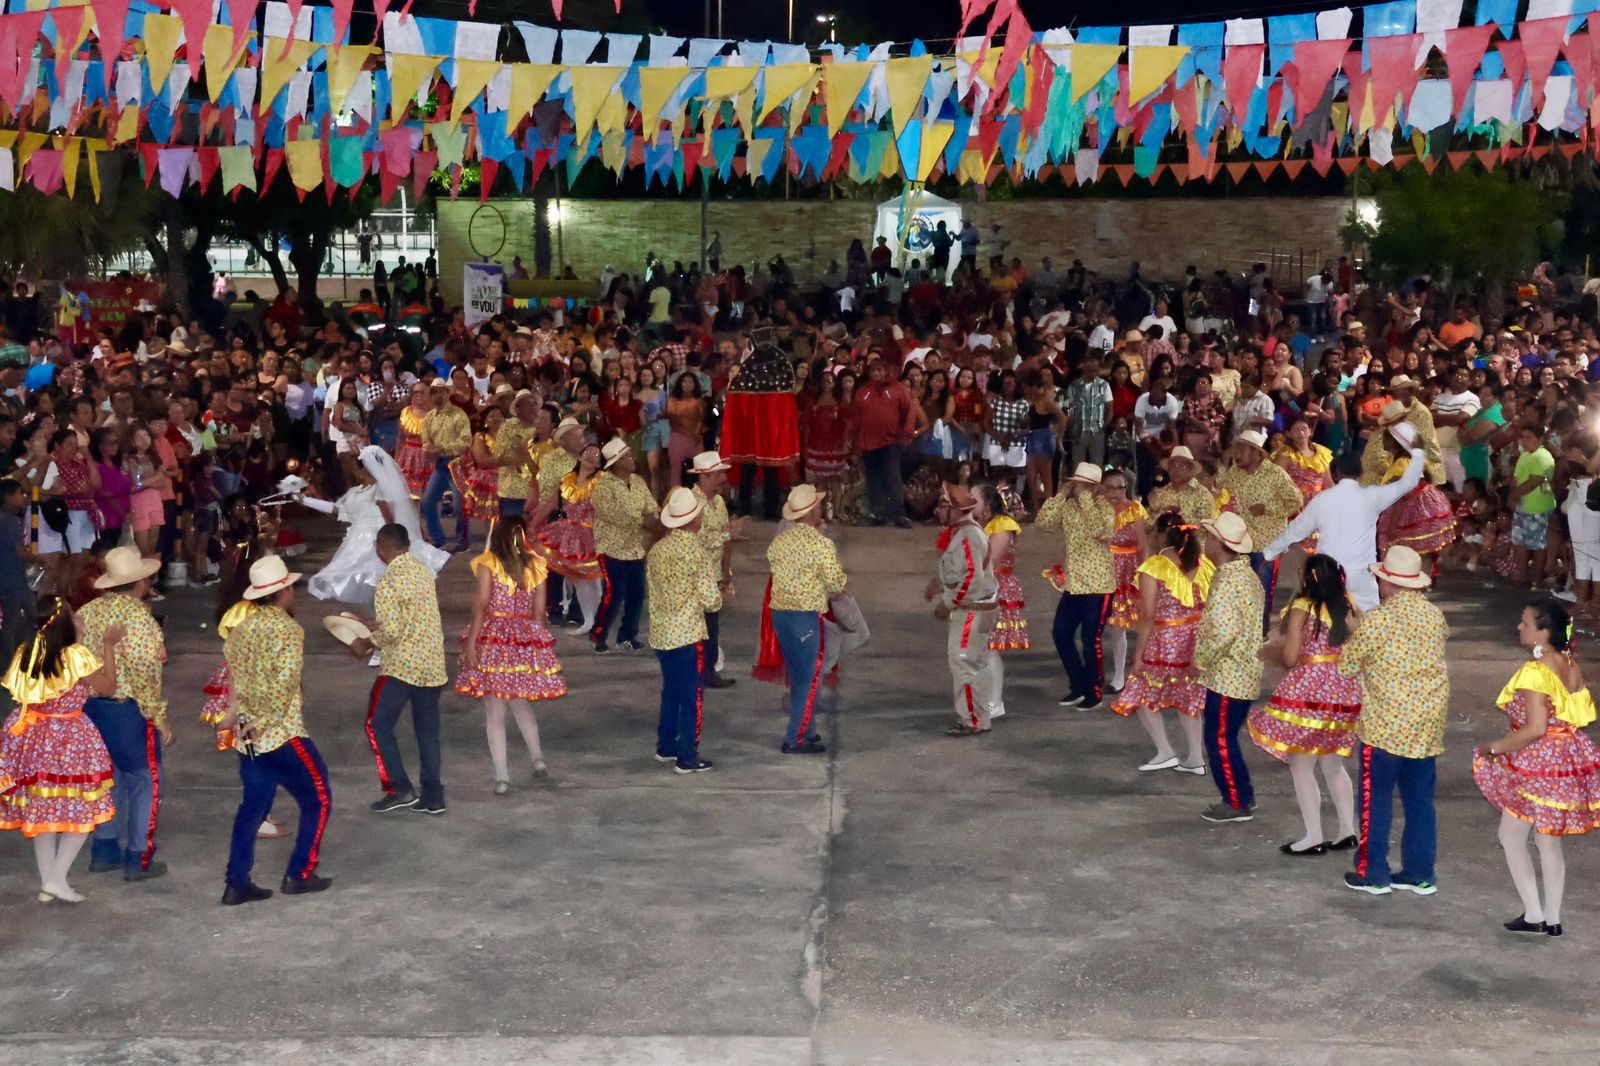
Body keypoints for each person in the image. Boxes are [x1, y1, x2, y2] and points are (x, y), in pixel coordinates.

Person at [1474, 600, 1600, 937]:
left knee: (1511, 835)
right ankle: (1553, 918)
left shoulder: (1535, 672)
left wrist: (1494, 747)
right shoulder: (1569, 663)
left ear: (1543, 632)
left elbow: (1535, 729)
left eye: (1525, 622)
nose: (1519, 627)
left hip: (1538, 762)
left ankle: (1534, 914)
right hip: (1567, 759)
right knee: (1548, 842)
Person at [216, 555, 333, 905]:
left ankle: (236, 881)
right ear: (284, 591)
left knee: (252, 808)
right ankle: (300, 873)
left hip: (248, 737)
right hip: (281, 736)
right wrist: (262, 723)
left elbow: (234, 679)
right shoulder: (288, 630)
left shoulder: (241, 629)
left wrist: (238, 718)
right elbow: (282, 688)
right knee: (319, 799)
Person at [1336, 545, 1449, 896]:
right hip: (1426, 725)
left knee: (1377, 799)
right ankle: (1419, 872)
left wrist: (1352, 631)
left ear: (1387, 585)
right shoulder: (1435, 617)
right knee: (1419, 802)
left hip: (1385, 726)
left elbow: (1346, 666)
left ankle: (1373, 873)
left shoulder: (1377, 622)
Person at [0, 595, 120, 903]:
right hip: (69, 739)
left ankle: (49, 883)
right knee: (81, 811)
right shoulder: (74, 655)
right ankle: (56, 878)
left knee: (44, 812)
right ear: (66, 622)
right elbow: (108, 687)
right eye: (73, 613)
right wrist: (108, 645)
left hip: (35, 740)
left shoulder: (27, 652)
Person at [1247, 554, 1363, 855]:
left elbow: (1289, 657)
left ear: (1308, 578)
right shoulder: (1348, 607)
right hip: (1344, 690)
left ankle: (1313, 835)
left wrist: (1272, 654)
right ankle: (1348, 830)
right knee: (1333, 763)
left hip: (1309, 690)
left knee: (1301, 764)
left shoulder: (1301, 608)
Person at [77, 547, 170, 882]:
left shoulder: (87, 612)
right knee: (143, 780)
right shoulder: (141, 620)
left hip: (90, 708)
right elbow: (147, 676)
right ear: (140, 581)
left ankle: (104, 849)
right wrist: (157, 715)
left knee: (109, 777)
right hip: (126, 710)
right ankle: (137, 856)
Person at [456, 516, 565, 795]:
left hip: (494, 639)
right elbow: (540, 614)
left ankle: (502, 776)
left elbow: (480, 605)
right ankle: (538, 760)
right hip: (523, 639)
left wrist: (471, 644)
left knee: (495, 711)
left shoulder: (488, 563)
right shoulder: (536, 565)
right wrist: (538, 649)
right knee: (519, 703)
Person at [1260, 427, 1424, 611]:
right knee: (1365, 628)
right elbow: (1408, 483)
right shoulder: (1372, 497)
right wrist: (1418, 452)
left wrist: (1269, 553)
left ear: (1335, 474)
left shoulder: (1321, 500)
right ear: (1360, 472)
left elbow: (1295, 531)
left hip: (1329, 577)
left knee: (1327, 630)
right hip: (1362, 578)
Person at [347, 523, 449, 815]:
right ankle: (433, 796)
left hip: (402, 668)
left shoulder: (389, 581)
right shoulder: (423, 571)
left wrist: (365, 643)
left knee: (376, 724)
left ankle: (399, 788)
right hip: (431, 664)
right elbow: (412, 617)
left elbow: (392, 631)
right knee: (427, 732)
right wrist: (371, 625)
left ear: (381, 548)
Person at [1112, 513, 1213, 774]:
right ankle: (1195, 757)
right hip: (1195, 638)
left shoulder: (1155, 565)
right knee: (1187, 697)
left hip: (1166, 640)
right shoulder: (1202, 562)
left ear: (1159, 534)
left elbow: (1148, 615)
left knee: (1140, 690)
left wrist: (1137, 655)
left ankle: (1165, 750)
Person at [301, 446, 449, 606]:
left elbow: (390, 519)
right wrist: (305, 500)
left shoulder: (380, 491)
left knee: (375, 574)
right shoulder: (356, 490)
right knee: (351, 574)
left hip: (373, 538)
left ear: (365, 470)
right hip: (356, 538)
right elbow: (336, 509)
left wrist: (389, 541)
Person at [1194, 512, 1265, 823]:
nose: (1205, 543)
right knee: (1226, 736)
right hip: (1245, 669)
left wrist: (1200, 660)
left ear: (1219, 544)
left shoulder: (1227, 580)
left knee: (1219, 738)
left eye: (1210, 538)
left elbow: (1222, 630)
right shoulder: (1246, 575)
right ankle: (1242, 793)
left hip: (1228, 674)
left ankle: (1235, 801)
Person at [766, 484, 848, 753]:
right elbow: (836, 584)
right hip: (805, 619)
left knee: (800, 676)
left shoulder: (779, 542)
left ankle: (807, 729)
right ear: (812, 513)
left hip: (780, 617)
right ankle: (796, 737)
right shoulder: (821, 544)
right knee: (809, 679)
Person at [648, 487, 723, 773]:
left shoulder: (657, 550)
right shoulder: (696, 552)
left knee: (671, 691)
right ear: (692, 520)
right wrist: (718, 594)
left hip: (661, 633)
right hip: (688, 634)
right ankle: (688, 756)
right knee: (692, 695)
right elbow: (711, 600)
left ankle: (666, 745)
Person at [1037, 463, 1116, 709]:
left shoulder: (1104, 507)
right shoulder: (1067, 506)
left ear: (1093, 488)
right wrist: (1061, 494)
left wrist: (1085, 497)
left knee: (1090, 639)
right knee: (1061, 633)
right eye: (1075, 482)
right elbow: (1043, 522)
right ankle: (1079, 684)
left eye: (1081, 484)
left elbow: (1098, 530)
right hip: (1074, 583)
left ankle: (1094, 691)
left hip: (1099, 584)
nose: (1076, 487)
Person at [928, 484, 999, 737]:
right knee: (972, 665)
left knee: (964, 665)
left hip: (971, 611)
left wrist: (947, 604)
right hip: (974, 609)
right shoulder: (964, 533)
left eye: (943, 506)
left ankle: (973, 720)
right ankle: (977, 716)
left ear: (956, 510)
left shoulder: (968, 536)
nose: (937, 511)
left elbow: (971, 578)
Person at [1216, 429, 1303, 631]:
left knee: (1262, 589)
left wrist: (1268, 509)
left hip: (1266, 543)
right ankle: (1242, 632)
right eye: (1236, 449)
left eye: (1242, 450)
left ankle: (1260, 634)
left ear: (1257, 453)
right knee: (1240, 589)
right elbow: (1218, 486)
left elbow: (1296, 502)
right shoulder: (1235, 473)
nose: (1237, 454)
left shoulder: (1275, 474)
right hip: (1239, 541)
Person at [590, 438, 657, 654]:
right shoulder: (603, 485)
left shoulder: (637, 481)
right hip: (611, 548)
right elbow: (612, 514)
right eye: (626, 456)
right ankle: (599, 633)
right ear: (616, 463)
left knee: (637, 594)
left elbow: (651, 506)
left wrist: (654, 516)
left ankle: (627, 635)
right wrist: (643, 520)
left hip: (635, 548)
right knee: (614, 593)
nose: (632, 459)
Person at [689, 451, 747, 689]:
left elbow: (726, 541)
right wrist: (728, 534)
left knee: (711, 625)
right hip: (695, 576)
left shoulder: (719, 502)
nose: (723, 477)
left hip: (712, 576)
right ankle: (701, 672)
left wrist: (726, 574)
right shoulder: (691, 503)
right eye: (719, 473)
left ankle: (706, 671)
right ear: (705, 476)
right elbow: (696, 539)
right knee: (702, 626)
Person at [539, 440, 605, 633]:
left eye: (596, 455)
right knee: (578, 579)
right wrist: (536, 520)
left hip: (591, 533)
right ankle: (588, 620)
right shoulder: (568, 479)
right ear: (579, 456)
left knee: (593, 579)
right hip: (570, 533)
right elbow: (553, 502)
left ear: (599, 463)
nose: (590, 455)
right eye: (588, 452)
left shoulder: (600, 480)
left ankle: (596, 618)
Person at [974, 483, 1026, 720]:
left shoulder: (1003, 526)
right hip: (981, 588)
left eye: (974, 498)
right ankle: (986, 699)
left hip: (996, 590)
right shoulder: (978, 525)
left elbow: (989, 564)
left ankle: (995, 702)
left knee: (990, 649)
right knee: (982, 649)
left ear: (988, 501)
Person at [1101, 471, 1148, 694]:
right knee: (1107, 625)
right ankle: (1110, 673)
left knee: (1125, 624)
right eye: (1109, 487)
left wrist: (1145, 574)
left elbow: (1143, 546)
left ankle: (1128, 674)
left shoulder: (1135, 510)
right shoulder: (1095, 510)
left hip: (1128, 572)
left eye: (1119, 488)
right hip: (1102, 570)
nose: (1114, 493)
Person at [419, 379, 472, 552]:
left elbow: (465, 442)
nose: (438, 396)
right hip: (440, 464)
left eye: (441, 392)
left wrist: (440, 448)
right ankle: (437, 538)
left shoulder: (459, 414)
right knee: (427, 501)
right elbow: (425, 440)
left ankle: (461, 541)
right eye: (434, 392)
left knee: (459, 505)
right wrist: (430, 449)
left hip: (456, 464)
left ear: (447, 394)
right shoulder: (429, 418)